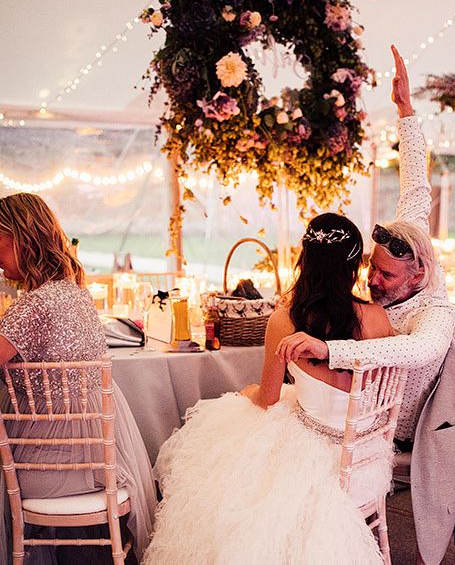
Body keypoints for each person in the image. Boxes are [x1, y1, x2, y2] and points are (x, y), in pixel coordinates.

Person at [142, 213, 394, 564]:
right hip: (366, 450)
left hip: (321, 455)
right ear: (354, 265)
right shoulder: (378, 319)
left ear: (304, 261)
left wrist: (248, 393)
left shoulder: (285, 319)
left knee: (227, 457)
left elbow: (268, 400)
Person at [276, 45, 455, 446]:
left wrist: (328, 350)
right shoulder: (406, 238)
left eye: (386, 275)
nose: (372, 280)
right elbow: (415, 182)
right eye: (371, 267)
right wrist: (405, 111)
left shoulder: (437, 311)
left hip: (400, 427)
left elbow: (416, 350)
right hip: (352, 403)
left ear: (419, 274)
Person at [0, 192, 156, 564]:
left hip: (48, 472)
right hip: (98, 465)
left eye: (0, 248)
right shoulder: (76, 293)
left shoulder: (33, 305)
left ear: (22, 240)